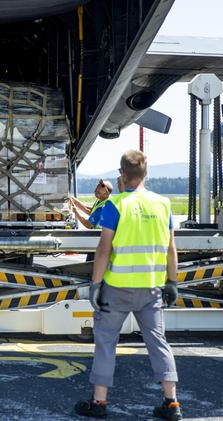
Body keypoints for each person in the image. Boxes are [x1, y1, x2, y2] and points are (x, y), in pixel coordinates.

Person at [74, 150, 181, 420]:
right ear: (146, 174)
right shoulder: (163, 204)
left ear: (122, 175)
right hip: (152, 289)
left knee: (106, 342)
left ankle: (99, 402)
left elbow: (103, 249)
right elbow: (171, 248)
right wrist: (172, 281)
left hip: (117, 289)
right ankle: (171, 403)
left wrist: (95, 285)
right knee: (158, 342)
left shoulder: (116, 205)